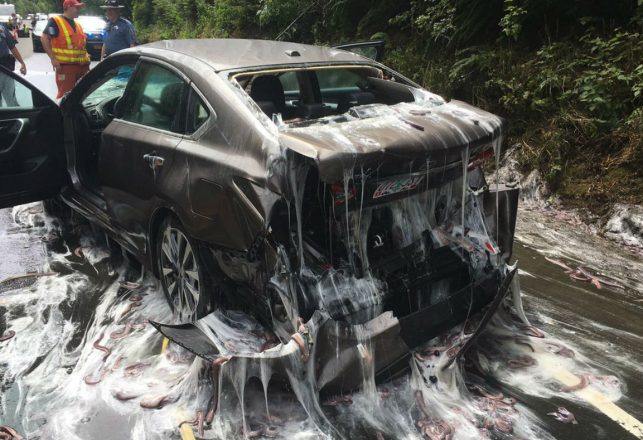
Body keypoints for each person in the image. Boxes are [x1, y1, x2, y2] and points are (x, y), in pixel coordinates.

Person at [41, 0, 90, 99]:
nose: (78, 10)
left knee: (82, 96)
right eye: (77, 7)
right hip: (66, 68)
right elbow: (44, 38)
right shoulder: (56, 21)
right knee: (65, 96)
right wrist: (53, 59)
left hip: (82, 67)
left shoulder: (78, 25)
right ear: (68, 7)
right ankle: (61, 114)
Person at [0, 23, 27, 107]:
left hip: (5, 70)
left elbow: (12, 47)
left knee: (11, 101)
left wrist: (22, 63)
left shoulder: (2, 28)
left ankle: (15, 117)